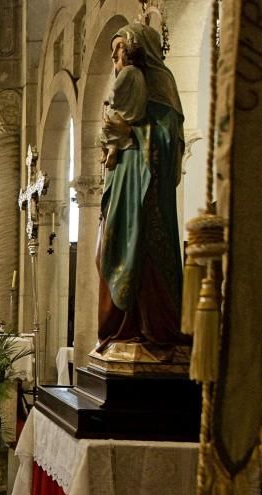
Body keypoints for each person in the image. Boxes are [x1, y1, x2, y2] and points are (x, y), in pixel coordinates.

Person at [96, 22, 186, 354]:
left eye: (119, 51)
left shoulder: (162, 86)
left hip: (145, 188)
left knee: (140, 250)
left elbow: (167, 140)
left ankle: (148, 327)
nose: (116, 61)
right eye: (113, 54)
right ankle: (118, 329)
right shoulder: (128, 87)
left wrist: (132, 134)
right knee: (108, 247)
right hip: (122, 179)